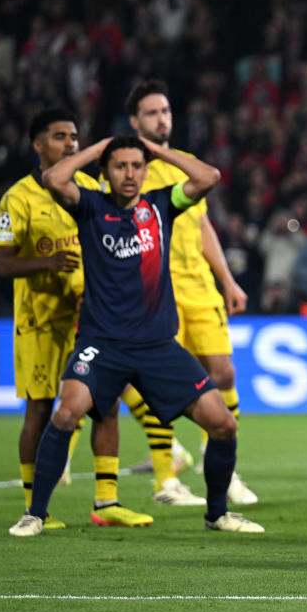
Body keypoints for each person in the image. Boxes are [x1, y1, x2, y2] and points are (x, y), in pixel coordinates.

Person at [8, 135, 263, 536]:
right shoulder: (91, 207)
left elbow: (209, 176)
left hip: (158, 346)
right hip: (102, 343)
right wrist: (100, 147)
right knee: (65, 412)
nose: (130, 174)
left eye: (136, 166)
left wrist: (156, 150)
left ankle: (218, 514)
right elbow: (55, 179)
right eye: (120, 166)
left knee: (223, 425)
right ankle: (35, 514)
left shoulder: (161, 205)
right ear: (105, 172)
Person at [0, 108, 152, 530]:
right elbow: (5, 266)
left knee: (107, 404)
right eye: (60, 137)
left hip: (91, 319)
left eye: (74, 136)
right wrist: (47, 260)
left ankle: (107, 500)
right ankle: (33, 504)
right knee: (41, 411)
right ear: (38, 144)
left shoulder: (91, 188)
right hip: (41, 320)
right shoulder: (17, 198)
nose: (70, 143)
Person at [118, 80, 257, 507]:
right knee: (159, 385)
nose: (163, 119)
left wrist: (227, 279)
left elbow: (201, 225)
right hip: (156, 292)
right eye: (153, 113)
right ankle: (165, 481)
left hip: (199, 287)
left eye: (166, 111)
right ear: (135, 121)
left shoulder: (186, 164)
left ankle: (225, 468)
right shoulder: (129, 169)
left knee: (225, 373)